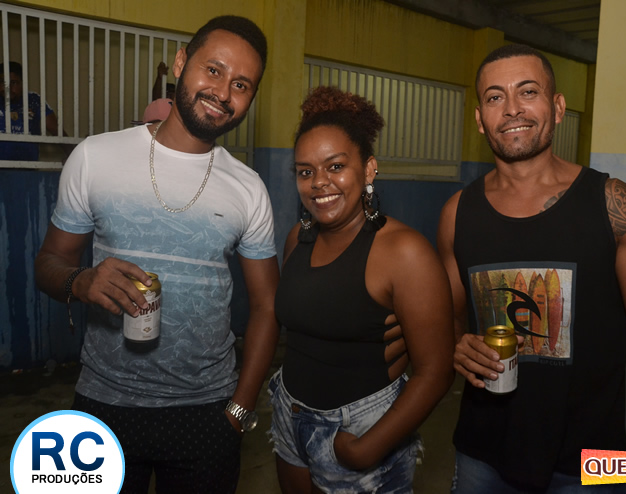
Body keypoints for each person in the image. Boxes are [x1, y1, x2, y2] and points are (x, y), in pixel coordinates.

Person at [34, 15, 279, 494]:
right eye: (213, 70)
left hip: (206, 414)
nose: (223, 92)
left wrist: (239, 408)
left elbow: (268, 306)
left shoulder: (248, 188)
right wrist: (80, 281)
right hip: (104, 406)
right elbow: (47, 264)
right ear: (181, 63)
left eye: (241, 84)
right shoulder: (95, 157)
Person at [436, 44, 626, 493]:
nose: (512, 108)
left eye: (528, 91)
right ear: (479, 119)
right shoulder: (457, 214)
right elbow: (452, 320)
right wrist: (459, 345)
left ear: (557, 107)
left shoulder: (614, 203)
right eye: (495, 97)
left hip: (592, 464)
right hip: (483, 456)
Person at [269, 86, 454, 494]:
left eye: (335, 166)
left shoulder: (404, 252)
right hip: (288, 415)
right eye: (305, 172)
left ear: (369, 169)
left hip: (360, 429)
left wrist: (368, 448)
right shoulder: (297, 238)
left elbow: (436, 370)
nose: (319, 183)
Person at [0, 61, 63, 161]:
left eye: (13, 83)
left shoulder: (33, 100)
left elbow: (57, 131)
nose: (8, 88)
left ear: (22, 83)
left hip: (28, 167)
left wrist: (73, 155)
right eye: (3, 83)